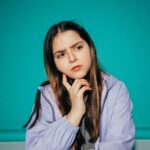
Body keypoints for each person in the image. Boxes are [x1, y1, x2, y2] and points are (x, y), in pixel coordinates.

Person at [23, 21, 135, 150]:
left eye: (78, 47)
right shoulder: (47, 96)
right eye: (61, 54)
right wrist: (74, 115)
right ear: (54, 63)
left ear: (90, 47)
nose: (72, 58)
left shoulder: (115, 90)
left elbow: (119, 145)